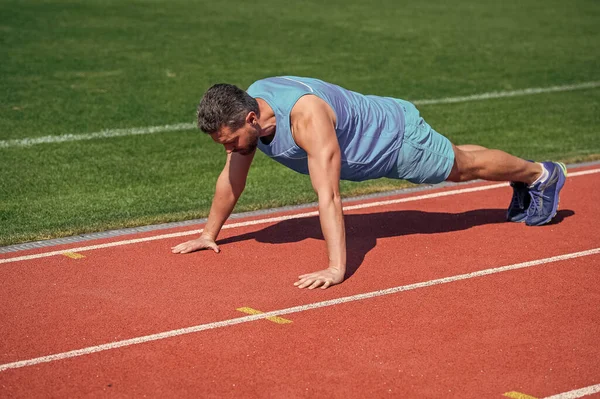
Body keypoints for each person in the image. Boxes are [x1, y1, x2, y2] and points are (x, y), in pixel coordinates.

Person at [171, 76, 567, 290]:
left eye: (230, 140)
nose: (229, 148)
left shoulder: (305, 119)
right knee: (460, 157)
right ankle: (525, 176)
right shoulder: (248, 113)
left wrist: (335, 268)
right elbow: (231, 179)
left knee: (460, 166)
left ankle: (540, 175)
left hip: (394, 140)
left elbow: (328, 196)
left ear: (251, 121)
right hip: (376, 141)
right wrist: (209, 233)